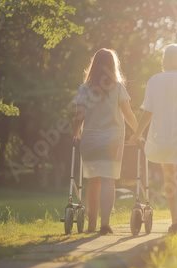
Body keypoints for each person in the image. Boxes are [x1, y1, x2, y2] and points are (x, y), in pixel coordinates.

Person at [129, 43, 177, 234]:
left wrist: (137, 134)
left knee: (169, 178)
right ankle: (176, 222)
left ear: (165, 60)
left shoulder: (155, 80)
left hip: (160, 135)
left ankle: (175, 221)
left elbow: (148, 111)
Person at [72, 48, 138, 234]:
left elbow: (79, 114)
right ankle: (105, 224)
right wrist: (138, 132)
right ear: (113, 66)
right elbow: (128, 114)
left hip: (91, 138)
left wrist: (76, 132)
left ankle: (91, 225)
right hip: (113, 139)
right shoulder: (118, 88)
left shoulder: (84, 89)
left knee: (93, 182)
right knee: (109, 181)